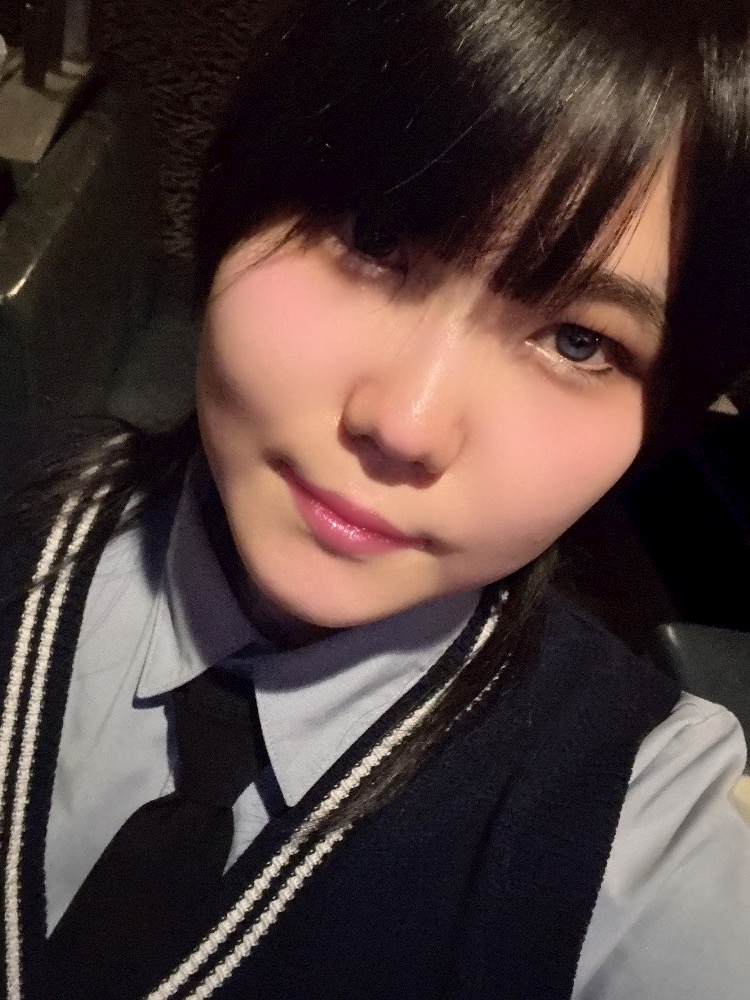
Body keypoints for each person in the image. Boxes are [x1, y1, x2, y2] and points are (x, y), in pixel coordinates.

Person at [0, 1, 749, 998]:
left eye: (579, 341)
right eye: (373, 234)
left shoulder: (641, 814)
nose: (406, 425)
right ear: (235, 193)